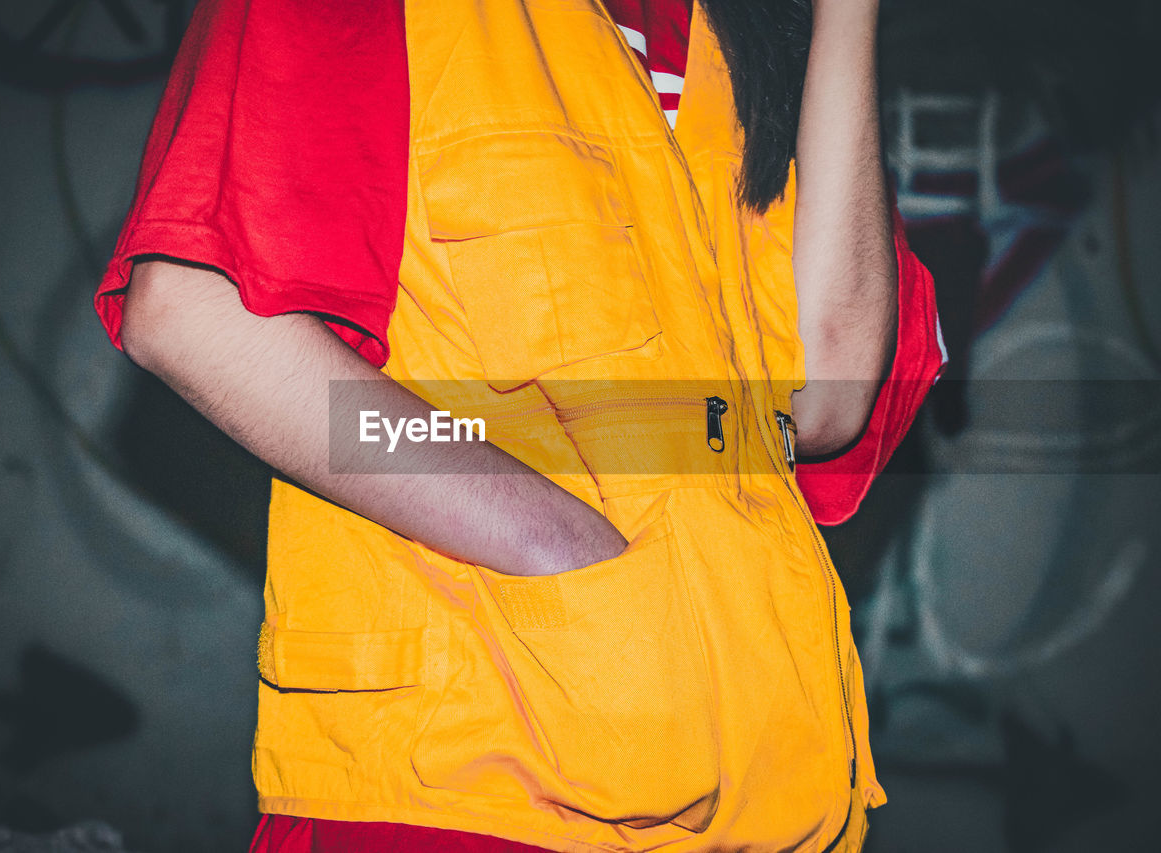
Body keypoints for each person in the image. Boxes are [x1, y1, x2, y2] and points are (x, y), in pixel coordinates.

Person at [94, 0, 944, 850]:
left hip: (766, 805)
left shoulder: (737, 35)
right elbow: (189, 311)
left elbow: (824, 397)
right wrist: (552, 542)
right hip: (469, 796)